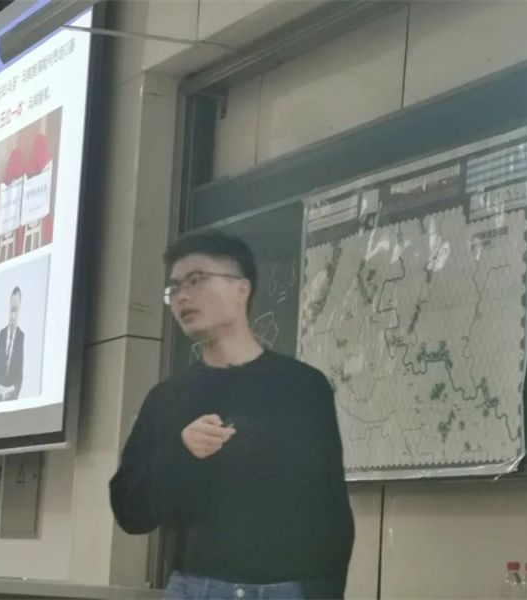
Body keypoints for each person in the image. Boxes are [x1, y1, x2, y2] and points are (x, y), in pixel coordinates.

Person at [109, 232, 354, 600]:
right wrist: (181, 452)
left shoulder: (303, 387)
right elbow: (129, 510)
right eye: (174, 288)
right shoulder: (167, 398)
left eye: (196, 280)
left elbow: (331, 512)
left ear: (242, 288)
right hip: (194, 588)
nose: (182, 296)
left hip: (287, 591)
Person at [0, 286, 25, 402]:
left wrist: (13, 393)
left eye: (16, 310)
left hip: (11, 397)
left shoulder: (21, 336)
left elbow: (20, 374)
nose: (13, 316)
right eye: (11, 310)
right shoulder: (2, 333)